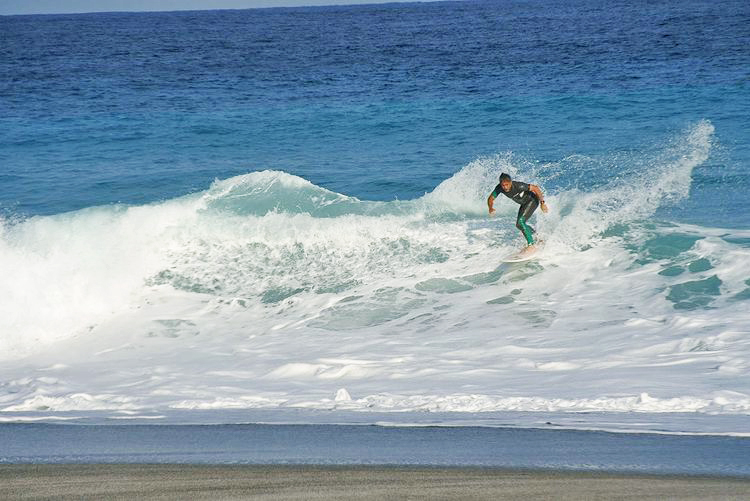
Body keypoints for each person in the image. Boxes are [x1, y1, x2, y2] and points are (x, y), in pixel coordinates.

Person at [487, 172, 548, 247]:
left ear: (511, 182)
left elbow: (535, 188)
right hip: (524, 204)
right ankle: (537, 238)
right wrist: (490, 207)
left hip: (532, 200)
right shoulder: (499, 188)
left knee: (521, 221)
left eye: (507, 185)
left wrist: (542, 203)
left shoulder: (519, 186)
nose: (505, 187)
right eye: (503, 185)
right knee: (519, 225)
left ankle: (531, 245)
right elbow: (490, 198)